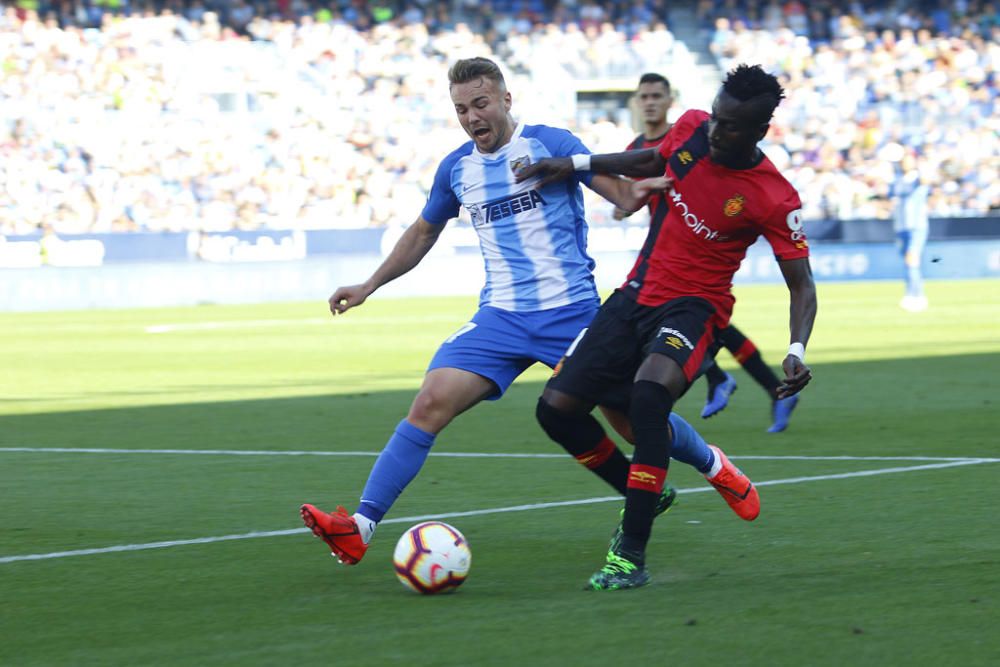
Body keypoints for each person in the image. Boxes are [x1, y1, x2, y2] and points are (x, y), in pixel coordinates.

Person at [299, 57, 749, 568]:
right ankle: (360, 526)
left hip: (574, 314)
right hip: (501, 318)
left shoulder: (550, 144)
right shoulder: (456, 169)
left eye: (481, 104)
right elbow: (423, 232)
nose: (472, 117)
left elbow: (619, 195)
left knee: (630, 424)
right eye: (461, 109)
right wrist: (369, 285)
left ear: (506, 100)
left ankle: (713, 464)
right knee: (429, 403)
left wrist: (637, 194)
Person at [516, 64, 817, 590]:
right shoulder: (695, 130)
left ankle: (630, 554)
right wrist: (576, 163)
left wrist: (796, 348)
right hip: (634, 295)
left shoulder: (774, 196)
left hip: (694, 309)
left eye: (731, 127)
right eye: (717, 118)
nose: (717, 132)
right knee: (555, 410)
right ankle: (685, 477)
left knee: (648, 399)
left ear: (760, 131)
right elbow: (651, 158)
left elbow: (802, 285)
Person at [614, 72, 800, 433]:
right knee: (705, 332)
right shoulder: (635, 146)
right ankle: (737, 382)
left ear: (670, 100)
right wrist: (624, 204)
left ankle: (726, 380)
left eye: (657, 95)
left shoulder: (694, 134)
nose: (650, 102)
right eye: (644, 96)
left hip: (699, 264)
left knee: (702, 330)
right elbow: (628, 200)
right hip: (663, 259)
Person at [891, 152, 929, 312]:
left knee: (911, 260)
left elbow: (926, 181)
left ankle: (916, 296)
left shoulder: (917, 178)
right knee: (909, 263)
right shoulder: (897, 180)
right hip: (901, 226)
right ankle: (914, 294)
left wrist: (922, 164)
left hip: (916, 226)